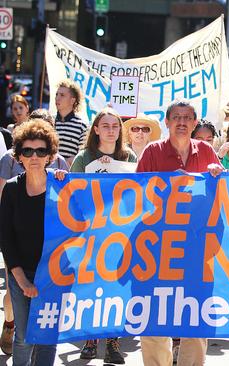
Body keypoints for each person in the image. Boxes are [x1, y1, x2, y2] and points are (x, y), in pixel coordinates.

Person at [136, 99, 223, 366]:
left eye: (187, 118)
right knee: (154, 316)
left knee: (196, 318)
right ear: (167, 122)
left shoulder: (207, 151)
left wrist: (219, 175)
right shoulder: (152, 152)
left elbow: (225, 193)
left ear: (195, 123)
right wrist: (167, 185)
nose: (182, 123)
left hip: (197, 248)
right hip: (157, 248)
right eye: (177, 117)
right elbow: (137, 196)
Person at [67, 108, 135, 363]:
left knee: (117, 286)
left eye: (115, 126)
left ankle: (114, 342)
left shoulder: (129, 156)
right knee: (90, 286)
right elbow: (71, 193)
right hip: (90, 233)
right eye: (105, 125)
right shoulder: (84, 158)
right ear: (95, 129)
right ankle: (90, 340)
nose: (110, 130)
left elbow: (136, 194)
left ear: (120, 131)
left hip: (120, 233)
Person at [0, 119, 59, 365]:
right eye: (28, 151)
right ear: (19, 156)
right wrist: (22, 280)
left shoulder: (61, 186)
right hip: (20, 273)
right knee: (24, 337)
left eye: (41, 150)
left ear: (50, 155)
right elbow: (6, 238)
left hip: (54, 276)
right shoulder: (12, 190)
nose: (34, 156)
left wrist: (67, 183)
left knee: (47, 338)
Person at [54, 79, 88, 166]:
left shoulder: (82, 126)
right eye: (57, 94)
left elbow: (82, 156)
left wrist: (63, 163)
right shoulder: (48, 122)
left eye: (62, 95)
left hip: (69, 175)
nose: (57, 98)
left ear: (72, 100)